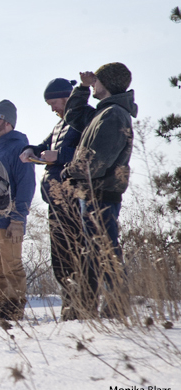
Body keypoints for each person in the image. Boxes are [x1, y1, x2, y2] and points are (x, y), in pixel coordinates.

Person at [61, 62, 137, 318]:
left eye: (97, 80)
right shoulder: (102, 113)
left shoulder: (113, 114)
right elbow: (73, 116)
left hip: (101, 194)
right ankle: (97, 307)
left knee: (105, 249)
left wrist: (72, 171)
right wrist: (82, 89)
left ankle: (116, 307)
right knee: (95, 251)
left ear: (107, 82)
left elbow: (98, 160)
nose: (94, 83)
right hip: (93, 194)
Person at [19, 78, 85, 320]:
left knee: (73, 253)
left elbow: (86, 152)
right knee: (59, 257)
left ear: (67, 99)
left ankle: (80, 306)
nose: (52, 109)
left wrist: (58, 156)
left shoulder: (81, 121)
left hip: (71, 199)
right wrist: (31, 150)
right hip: (54, 201)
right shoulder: (61, 125)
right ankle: (69, 305)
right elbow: (44, 145)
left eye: (54, 103)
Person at [0, 100, 36, 320]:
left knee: (12, 266)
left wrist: (17, 219)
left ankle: (14, 309)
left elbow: (26, 184)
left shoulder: (20, 148)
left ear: (7, 121)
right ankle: (0, 309)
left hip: (9, 221)